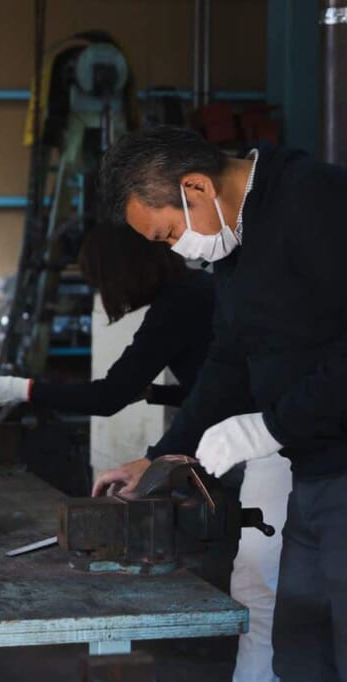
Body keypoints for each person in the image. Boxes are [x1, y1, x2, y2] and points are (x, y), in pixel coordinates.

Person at [91, 125, 347, 682]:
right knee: (301, 650)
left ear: (197, 188)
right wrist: (164, 457)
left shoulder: (316, 201)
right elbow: (230, 361)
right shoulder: (238, 238)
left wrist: (274, 427)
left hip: (335, 465)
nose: (176, 250)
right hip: (312, 475)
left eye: (167, 235)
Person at [0, 225, 214, 417]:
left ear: (122, 273)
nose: (105, 293)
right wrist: (153, 392)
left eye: (102, 283)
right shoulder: (195, 286)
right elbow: (213, 386)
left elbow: (106, 399)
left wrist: (20, 389)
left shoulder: (173, 310)